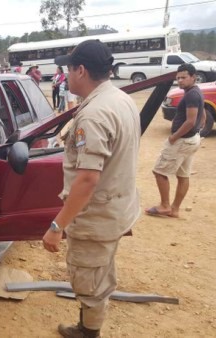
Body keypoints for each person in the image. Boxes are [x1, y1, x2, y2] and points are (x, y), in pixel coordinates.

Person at [43, 39, 141, 338]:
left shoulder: (94, 114)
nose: (66, 75)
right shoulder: (121, 99)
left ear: (81, 70)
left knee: (88, 275)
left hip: (97, 214)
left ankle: (89, 332)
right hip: (117, 206)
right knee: (100, 270)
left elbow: (87, 179)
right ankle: (88, 325)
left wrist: (57, 225)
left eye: (68, 69)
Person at [146, 63, 204, 218]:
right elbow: (202, 116)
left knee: (159, 171)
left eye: (184, 77)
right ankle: (175, 209)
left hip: (182, 141)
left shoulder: (191, 94)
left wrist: (174, 137)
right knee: (183, 176)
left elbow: (191, 121)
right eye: (178, 78)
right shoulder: (196, 92)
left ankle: (165, 206)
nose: (180, 81)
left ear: (193, 77)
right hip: (192, 139)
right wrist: (197, 131)